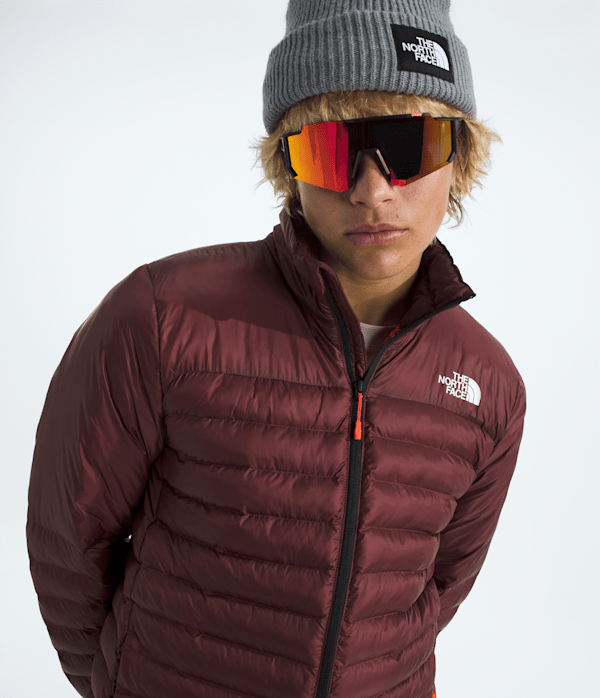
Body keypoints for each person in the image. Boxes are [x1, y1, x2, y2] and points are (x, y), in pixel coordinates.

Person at [26, 1, 526, 697]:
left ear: (461, 155)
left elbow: (434, 591)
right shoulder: (163, 318)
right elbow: (68, 545)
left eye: (409, 148)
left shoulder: (488, 382)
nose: (372, 190)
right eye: (330, 151)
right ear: (288, 165)